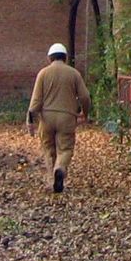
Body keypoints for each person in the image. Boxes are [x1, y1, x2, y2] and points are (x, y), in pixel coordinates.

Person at [27, 43, 91, 193]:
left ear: (49, 58)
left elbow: (36, 100)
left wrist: (30, 120)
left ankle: (52, 180)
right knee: (65, 148)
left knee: (48, 148)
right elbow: (85, 96)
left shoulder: (43, 73)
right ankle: (60, 168)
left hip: (47, 118)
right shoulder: (74, 73)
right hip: (67, 118)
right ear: (65, 57)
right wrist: (85, 113)